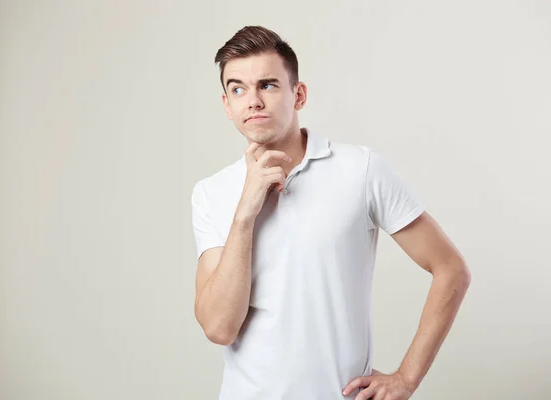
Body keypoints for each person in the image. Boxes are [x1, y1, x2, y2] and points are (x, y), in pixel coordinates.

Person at [191, 25, 471, 400]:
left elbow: (451, 268)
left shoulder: (361, 169)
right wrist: (245, 214)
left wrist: (407, 378)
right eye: (238, 89)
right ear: (227, 105)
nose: (253, 101)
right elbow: (219, 328)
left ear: (299, 94)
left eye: (268, 85)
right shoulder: (212, 193)